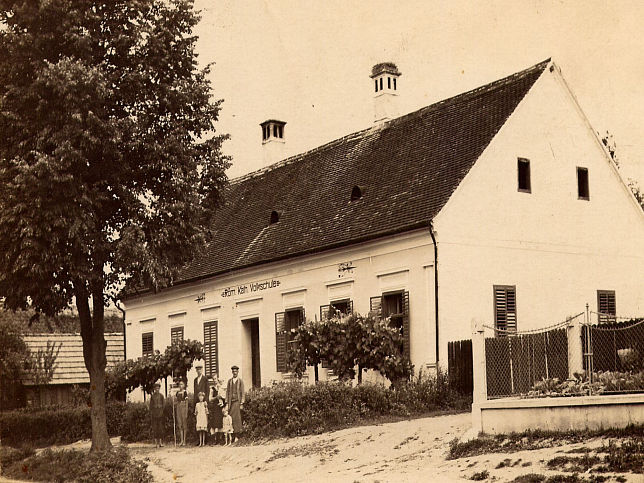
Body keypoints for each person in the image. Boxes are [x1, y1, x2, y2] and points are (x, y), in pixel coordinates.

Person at [226, 365, 245, 442]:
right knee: (231, 419)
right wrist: (227, 402)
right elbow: (227, 392)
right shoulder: (229, 381)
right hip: (231, 403)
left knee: (237, 419)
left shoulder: (240, 381)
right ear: (232, 372)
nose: (234, 373)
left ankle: (237, 436)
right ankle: (232, 436)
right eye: (233, 371)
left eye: (236, 371)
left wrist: (242, 403)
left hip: (237, 402)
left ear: (238, 372)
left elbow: (242, 392)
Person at [150, 382, 165, 447]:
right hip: (154, 414)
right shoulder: (152, 396)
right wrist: (152, 412)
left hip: (160, 414)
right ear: (154, 389)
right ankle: (156, 443)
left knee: (160, 428)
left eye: (158, 388)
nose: (157, 389)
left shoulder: (161, 396)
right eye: (156, 388)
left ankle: (160, 443)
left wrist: (161, 411)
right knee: (155, 428)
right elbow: (151, 406)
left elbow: (163, 404)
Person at [174, 380, 188, 446]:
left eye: (182, 384)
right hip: (178, 408)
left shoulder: (185, 392)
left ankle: (185, 440)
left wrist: (186, 412)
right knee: (180, 425)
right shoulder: (177, 393)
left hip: (183, 408)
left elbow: (187, 402)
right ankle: (181, 440)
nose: (180, 386)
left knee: (184, 424)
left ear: (184, 385)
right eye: (180, 384)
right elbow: (176, 401)